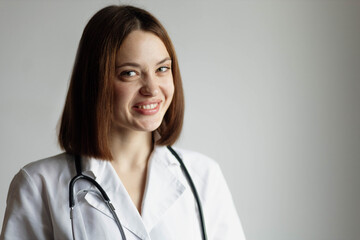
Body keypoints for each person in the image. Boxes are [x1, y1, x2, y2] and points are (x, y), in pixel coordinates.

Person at [0, 5, 246, 240]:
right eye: (130, 73)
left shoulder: (203, 175)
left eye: (162, 69)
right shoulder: (38, 184)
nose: (152, 89)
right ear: (95, 82)